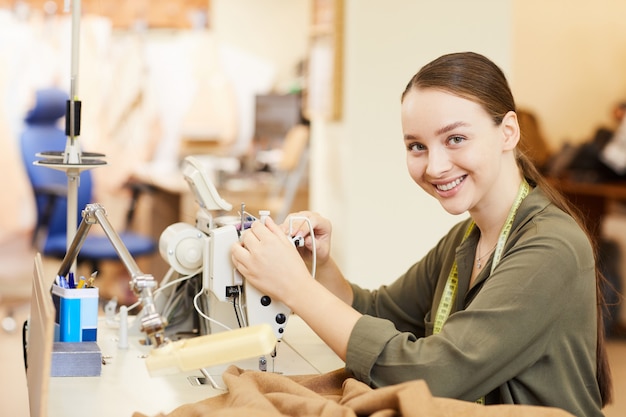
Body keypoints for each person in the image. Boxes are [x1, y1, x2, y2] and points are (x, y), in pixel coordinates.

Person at [231, 51, 612, 416]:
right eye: (417, 146)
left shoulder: (551, 246)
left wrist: (296, 288)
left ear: (508, 132)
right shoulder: (469, 238)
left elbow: (434, 375)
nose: (435, 165)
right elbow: (378, 312)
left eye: (456, 139)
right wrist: (318, 265)